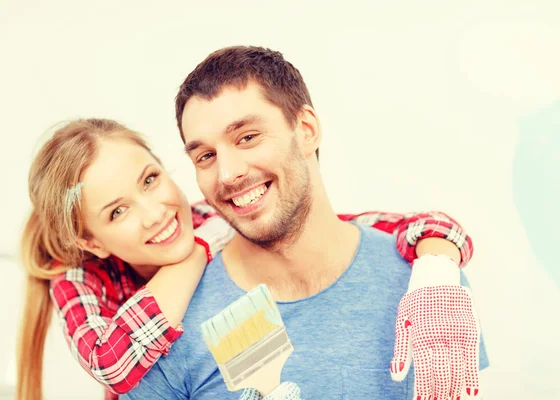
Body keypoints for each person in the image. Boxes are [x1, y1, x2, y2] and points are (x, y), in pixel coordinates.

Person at [124, 46, 488, 400]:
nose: (228, 173)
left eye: (247, 137)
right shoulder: (173, 323)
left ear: (306, 129)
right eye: (205, 156)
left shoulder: (427, 288)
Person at [17, 118, 474, 400]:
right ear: (92, 241)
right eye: (117, 211)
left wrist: (436, 267)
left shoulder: (210, 220)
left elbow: (375, 225)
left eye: (151, 179)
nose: (154, 213)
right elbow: (112, 363)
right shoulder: (78, 277)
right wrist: (194, 254)